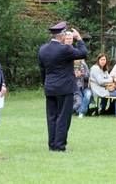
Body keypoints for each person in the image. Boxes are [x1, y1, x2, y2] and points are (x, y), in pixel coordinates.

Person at [38, 22, 87, 152]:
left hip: (50, 88)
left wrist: (46, 85)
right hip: (64, 88)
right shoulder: (65, 49)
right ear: (61, 36)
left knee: (52, 116)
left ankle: (52, 145)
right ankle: (60, 146)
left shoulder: (43, 50)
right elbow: (83, 53)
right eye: (65, 34)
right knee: (63, 117)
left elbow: (42, 71)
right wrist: (79, 39)